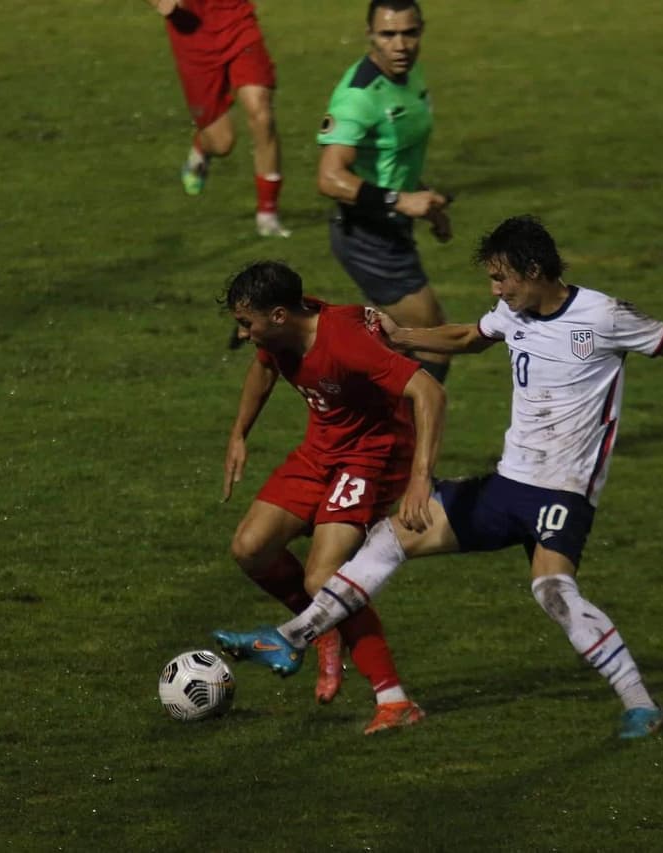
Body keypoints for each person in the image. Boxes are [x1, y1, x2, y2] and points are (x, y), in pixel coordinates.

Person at [215, 215, 663, 740]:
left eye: (500, 277)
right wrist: (405, 335)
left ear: (533, 272)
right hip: (508, 485)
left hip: (562, 494)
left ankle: (640, 705)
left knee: (553, 593)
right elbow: (466, 336)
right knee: (390, 537)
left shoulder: (604, 315)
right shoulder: (512, 314)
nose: (494, 288)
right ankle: (291, 637)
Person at [215, 260, 446, 734]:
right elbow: (264, 371)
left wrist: (421, 476)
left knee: (323, 575)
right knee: (250, 548)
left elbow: (429, 391)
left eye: (246, 324)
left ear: (279, 315)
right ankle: (320, 630)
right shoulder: (279, 337)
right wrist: (239, 433)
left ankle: (394, 700)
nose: (242, 335)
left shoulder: (344, 342)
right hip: (320, 450)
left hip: (370, 454)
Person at [315, 0, 452, 383]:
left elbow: (394, 159)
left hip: (392, 225)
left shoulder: (410, 74)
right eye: (388, 34)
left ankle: (363, 423)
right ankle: (408, 440)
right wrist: (402, 200)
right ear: (369, 35)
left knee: (396, 344)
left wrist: (425, 202)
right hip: (366, 234)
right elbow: (329, 178)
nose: (400, 45)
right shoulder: (359, 96)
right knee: (431, 339)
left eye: (409, 33)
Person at [147, 0, 290, 237]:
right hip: (191, 29)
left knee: (260, 109)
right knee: (222, 142)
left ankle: (268, 215)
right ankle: (202, 146)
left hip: (236, 18)